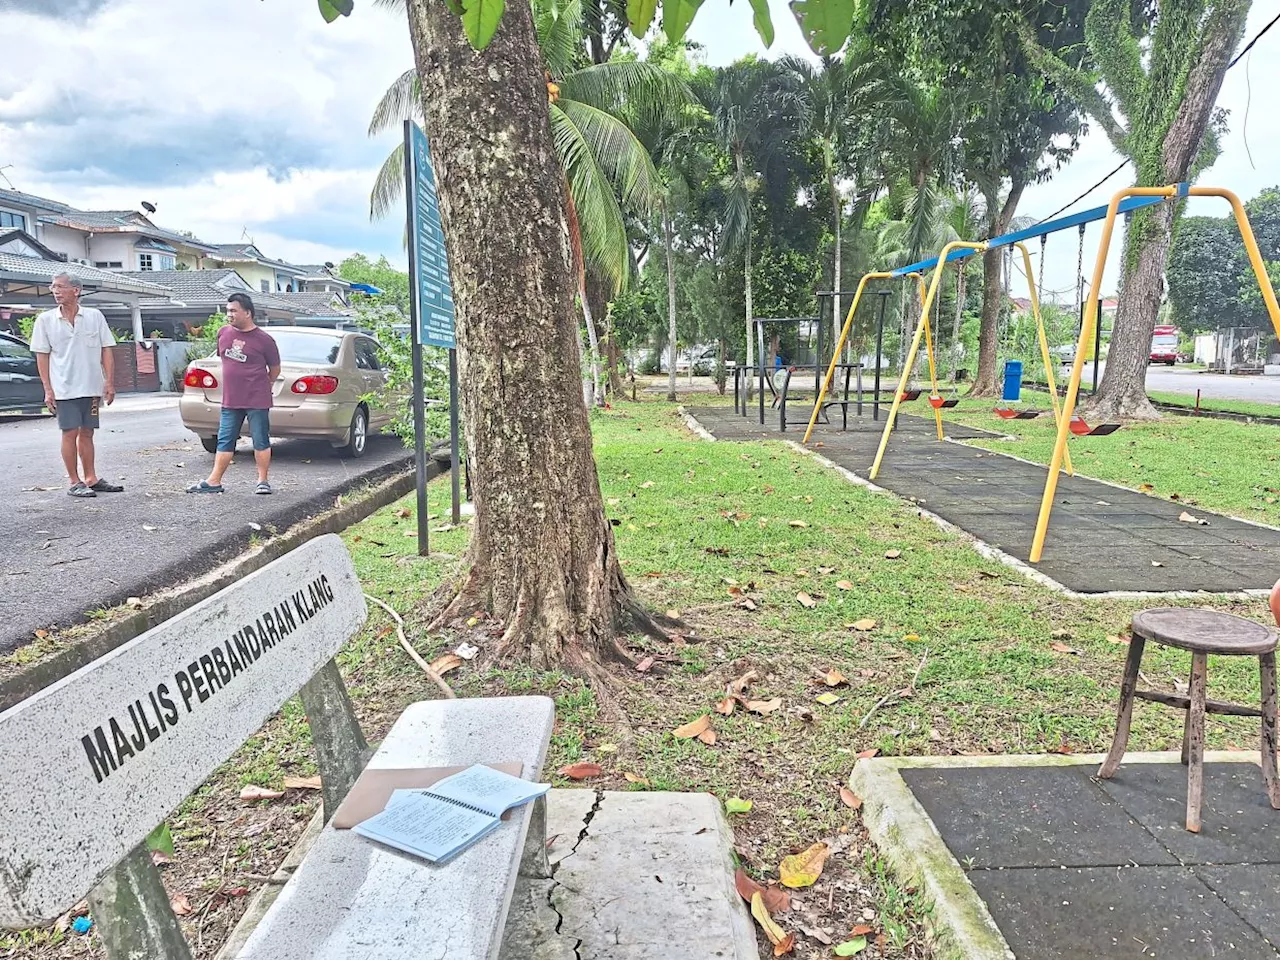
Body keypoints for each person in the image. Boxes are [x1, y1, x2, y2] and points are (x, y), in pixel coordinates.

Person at [31, 272, 124, 498]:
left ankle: (91, 477)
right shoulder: (45, 320)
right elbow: (42, 356)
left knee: (88, 432)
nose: (55, 291)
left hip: (91, 386)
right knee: (69, 432)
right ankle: (74, 481)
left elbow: (106, 350)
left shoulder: (94, 316)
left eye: (61, 287)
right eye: (53, 287)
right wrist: (48, 389)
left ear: (76, 290)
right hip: (64, 388)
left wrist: (109, 382)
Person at [187, 293, 280, 495]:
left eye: (233, 311)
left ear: (247, 313)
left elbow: (275, 369)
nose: (229, 315)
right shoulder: (223, 333)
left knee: (260, 439)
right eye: (228, 310)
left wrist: (266, 383)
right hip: (231, 399)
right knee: (225, 439)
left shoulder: (265, 340)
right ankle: (214, 481)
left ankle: (262, 481)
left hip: (257, 399)